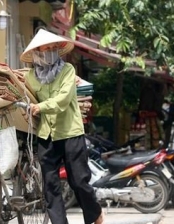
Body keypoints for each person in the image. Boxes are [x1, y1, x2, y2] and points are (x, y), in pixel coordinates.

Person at [20, 29, 104, 224]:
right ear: (37, 52)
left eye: (52, 48)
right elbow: (25, 96)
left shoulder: (67, 71)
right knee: (50, 185)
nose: (49, 51)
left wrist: (39, 107)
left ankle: (95, 214)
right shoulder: (30, 77)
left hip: (70, 132)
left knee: (79, 181)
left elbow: (63, 99)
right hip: (45, 135)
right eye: (45, 48)